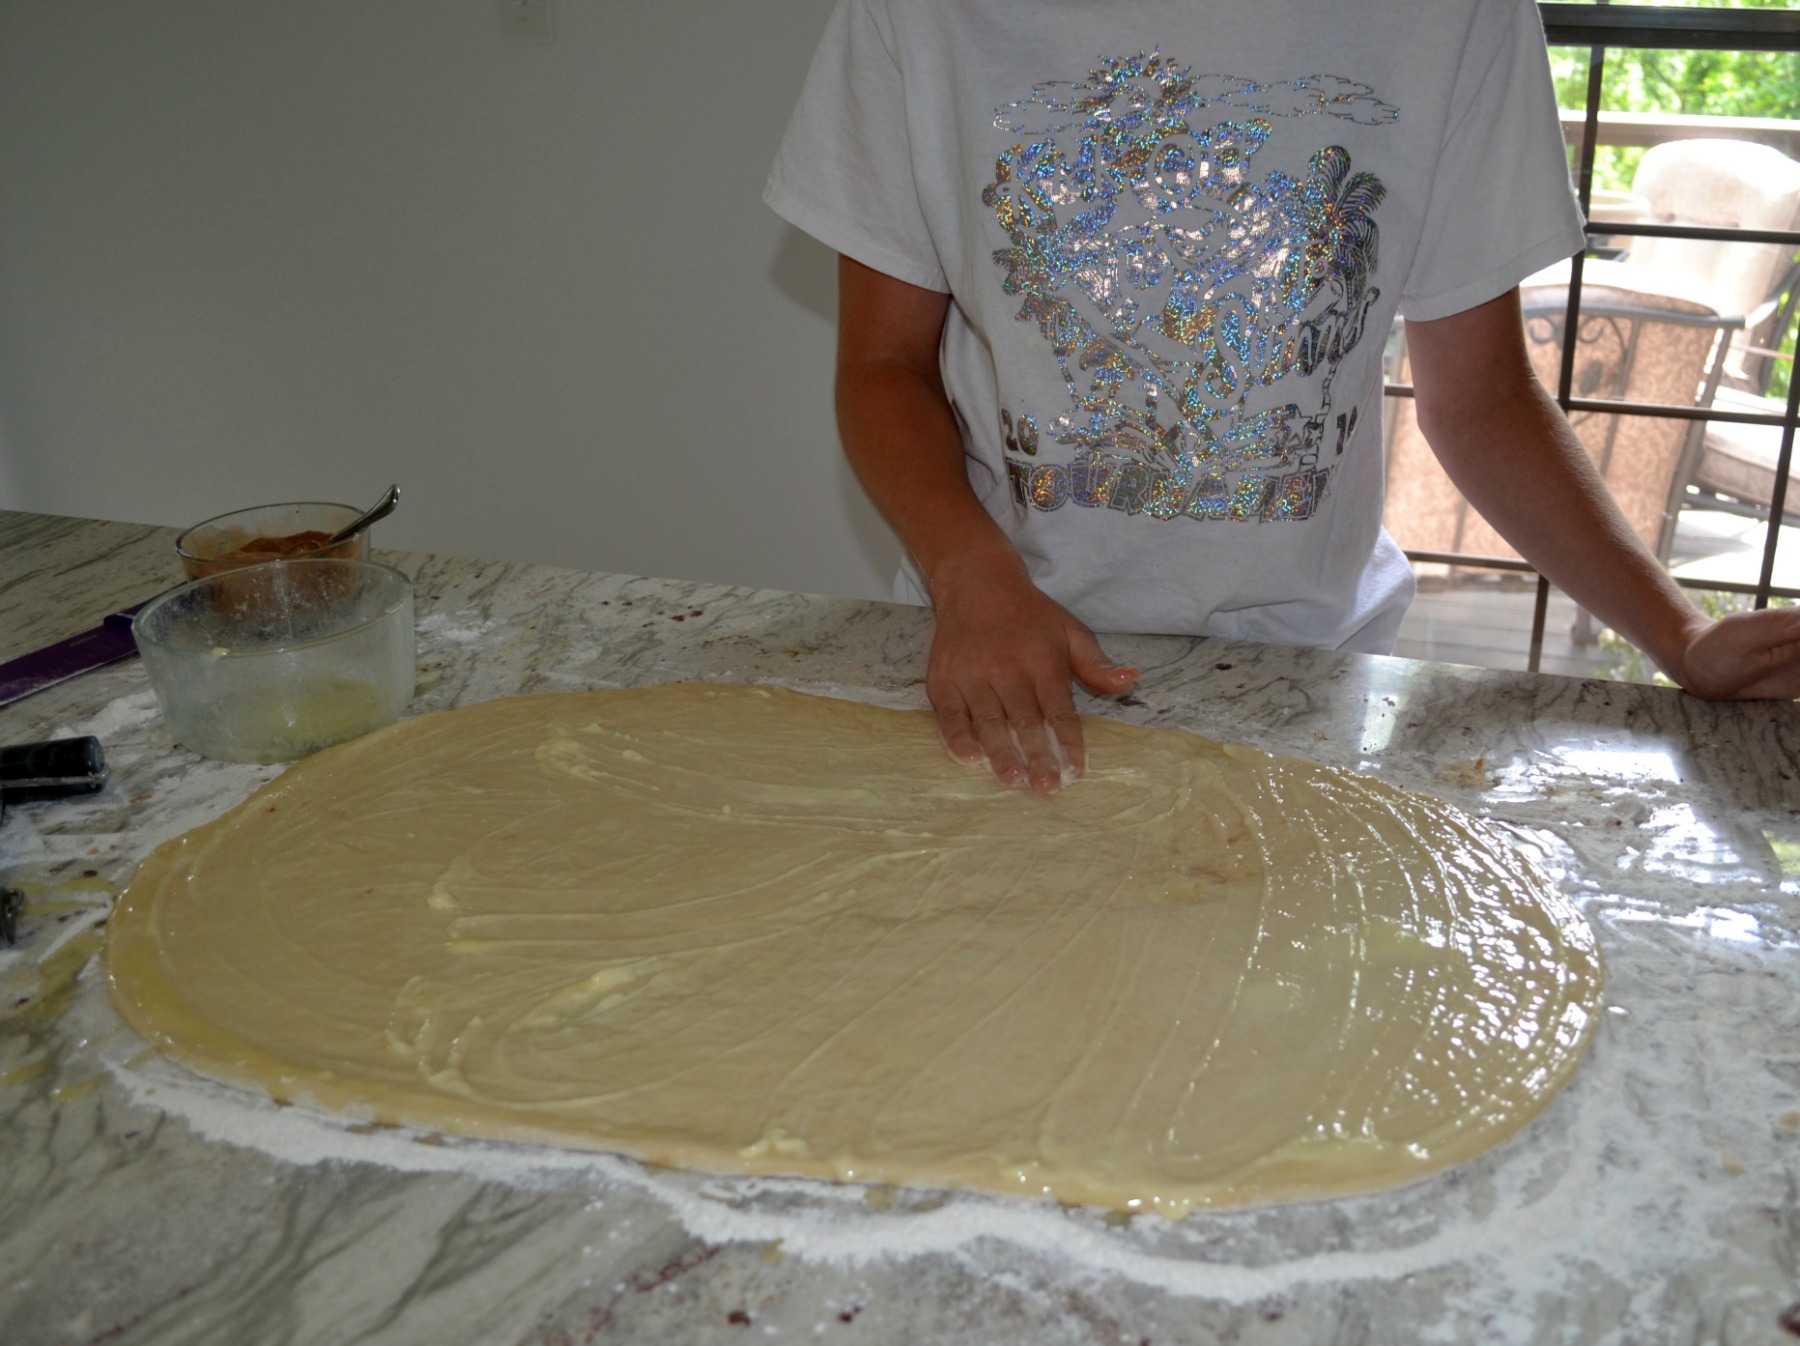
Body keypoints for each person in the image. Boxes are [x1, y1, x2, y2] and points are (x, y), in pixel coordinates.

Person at [766, 0, 1800, 795]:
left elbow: (1479, 396)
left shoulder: (1456, 17)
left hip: (1314, 676)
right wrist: (975, 576)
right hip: (995, 654)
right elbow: (882, 366)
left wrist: (1679, 635)